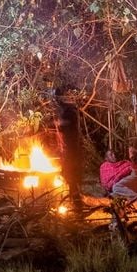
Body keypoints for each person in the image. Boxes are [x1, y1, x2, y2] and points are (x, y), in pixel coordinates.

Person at [49, 86, 86, 216]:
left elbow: (64, 125)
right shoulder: (68, 110)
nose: (55, 101)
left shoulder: (69, 112)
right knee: (70, 179)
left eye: (56, 97)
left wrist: (58, 123)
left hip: (72, 152)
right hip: (70, 151)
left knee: (72, 178)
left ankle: (78, 207)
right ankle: (75, 204)